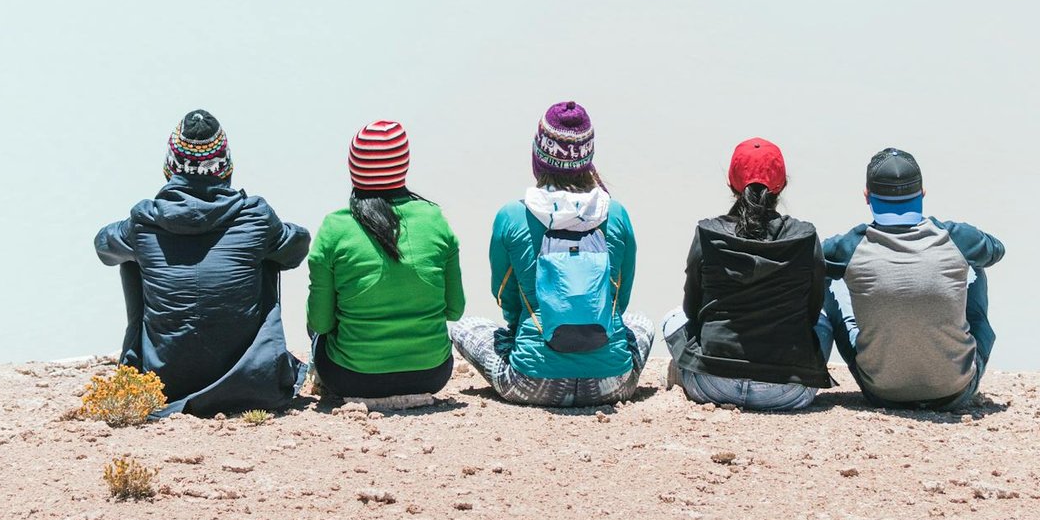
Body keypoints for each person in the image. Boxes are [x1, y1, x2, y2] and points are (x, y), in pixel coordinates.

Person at [94, 110, 310, 416]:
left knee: (131, 257)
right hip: (249, 383)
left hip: (164, 383)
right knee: (265, 256)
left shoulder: (144, 222)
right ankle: (249, 365)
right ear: (226, 167)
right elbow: (297, 248)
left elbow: (103, 247)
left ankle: (138, 368)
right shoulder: (255, 217)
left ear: (170, 167)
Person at [449, 101, 654, 407]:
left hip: (533, 382)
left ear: (538, 156)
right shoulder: (617, 213)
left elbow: (505, 298)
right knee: (642, 322)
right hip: (613, 383)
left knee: (464, 327)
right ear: (589, 158)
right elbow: (619, 302)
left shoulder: (513, 215)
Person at [819, 147, 1004, 410]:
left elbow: (807, 259)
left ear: (867, 197)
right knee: (973, 265)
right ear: (923, 194)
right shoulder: (955, 238)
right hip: (956, 391)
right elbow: (997, 250)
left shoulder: (849, 246)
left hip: (881, 392)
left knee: (824, 276)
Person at [661, 137, 830, 411]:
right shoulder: (806, 236)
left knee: (671, 318)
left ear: (731, 183)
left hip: (712, 385)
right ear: (783, 184)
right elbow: (811, 313)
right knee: (823, 322)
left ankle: (683, 372)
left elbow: (691, 310)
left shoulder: (707, 232)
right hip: (789, 391)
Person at [304, 120, 464, 403]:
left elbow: (320, 321)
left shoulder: (334, 227)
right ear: (404, 166)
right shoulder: (435, 220)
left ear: (353, 168)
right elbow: (454, 309)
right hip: (431, 374)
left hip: (350, 378)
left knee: (317, 331)